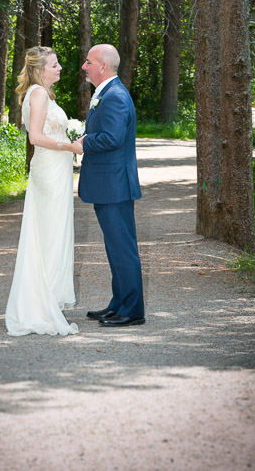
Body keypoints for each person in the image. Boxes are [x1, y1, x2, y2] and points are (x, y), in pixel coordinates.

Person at [5, 46, 82, 337]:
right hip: (48, 171)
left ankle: (45, 298)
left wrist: (73, 139)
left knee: (54, 234)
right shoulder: (38, 94)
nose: (60, 67)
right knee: (48, 235)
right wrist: (69, 146)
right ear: (39, 70)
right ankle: (39, 305)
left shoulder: (45, 94)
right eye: (54, 64)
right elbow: (36, 137)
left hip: (57, 170)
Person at [77, 44, 145, 328]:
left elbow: (112, 138)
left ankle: (132, 310)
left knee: (122, 248)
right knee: (115, 247)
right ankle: (119, 304)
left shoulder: (115, 96)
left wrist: (82, 144)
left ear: (102, 66)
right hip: (109, 184)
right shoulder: (107, 93)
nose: (84, 66)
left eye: (89, 61)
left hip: (115, 185)